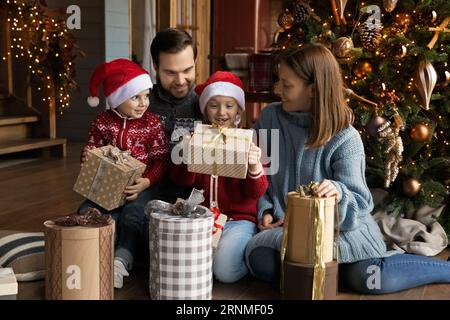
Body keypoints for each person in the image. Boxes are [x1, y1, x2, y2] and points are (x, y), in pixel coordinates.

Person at [245, 43, 450, 294]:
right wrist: (266, 209)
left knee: (369, 279)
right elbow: (259, 173)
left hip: (340, 233)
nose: (277, 90)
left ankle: (443, 269)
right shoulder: (270, 119)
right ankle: (330, 273)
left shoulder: (345, 137)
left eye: (287, 85)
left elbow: (360, 204)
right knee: (261, 263)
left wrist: (337, 192)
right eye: (279, 82)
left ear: (313, 89)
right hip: (289, 233)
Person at [78, 58, 169, 289]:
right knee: (88, 212)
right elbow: (90, 148)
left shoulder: (151, 123)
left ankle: (121, 260)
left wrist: (146, 182)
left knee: (133, 215)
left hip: (140, 188)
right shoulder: (102, 121)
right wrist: (88, 158)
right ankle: (90, 256)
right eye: (135, 97)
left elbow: (160, 159)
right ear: (117, 97)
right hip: (106, 187)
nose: (143, 103)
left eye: (146, 96)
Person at [171, 71, 268, 283]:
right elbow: (183, 181)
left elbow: (256, 192)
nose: (221, 112)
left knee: (224, 273)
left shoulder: (248, 141)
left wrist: (254, 167)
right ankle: (219, 256)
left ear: (238, 110)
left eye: (229, 105)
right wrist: (185, 155)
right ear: (205, 108)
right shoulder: (198, 137)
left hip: (237, 221)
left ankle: (246, 256)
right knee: (186, 265)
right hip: (202, 218)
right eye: (214, 105)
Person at [149, 27, 203, 202]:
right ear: (156, 66)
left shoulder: (207, 105)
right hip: (146, 187)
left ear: (195, 61)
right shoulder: (140, 103)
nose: (180, 81)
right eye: (170, 73)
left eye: (187, 70)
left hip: (191, 193)